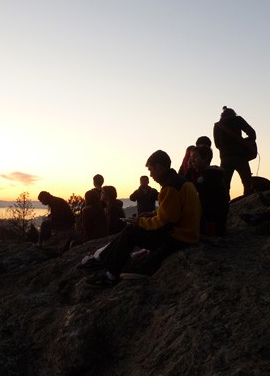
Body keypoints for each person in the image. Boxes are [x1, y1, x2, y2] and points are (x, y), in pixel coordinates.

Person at [83, 150, 201, 287]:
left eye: (151, 170)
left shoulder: (170, 187)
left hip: (178, 237)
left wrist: (139, 222)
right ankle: (103, 259)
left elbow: (165, 222)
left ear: (159, 167)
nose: (151, 175)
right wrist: (151, 215)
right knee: (134, 226)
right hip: (187, 233)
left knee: (131, 232)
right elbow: (173, 212)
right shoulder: (180, 181)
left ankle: (110, 275)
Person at [213, 106, 257, 196]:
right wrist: (245, 142)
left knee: (225, 185)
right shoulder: (238, 119)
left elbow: (217, 145)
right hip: (240, 156)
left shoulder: (217, 125)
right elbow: (252, 134)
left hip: (225, 158)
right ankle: (248, 202)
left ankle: (225, 206)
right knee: (247, 183)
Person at [189, 145, 229, 236]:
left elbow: (192, 188)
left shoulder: (208, 176)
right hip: (216, 221)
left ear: (206, 158)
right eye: (191, 158)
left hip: (212, 221)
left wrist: (188, 170)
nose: (192, 161)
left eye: (195, 157)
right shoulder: (212, 174)